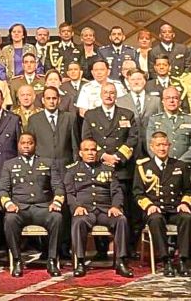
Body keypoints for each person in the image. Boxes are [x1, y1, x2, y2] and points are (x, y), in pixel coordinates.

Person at [80, 83, 140, 256]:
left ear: (116, 95)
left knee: (123, 209)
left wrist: (118, 157)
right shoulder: (91, 115)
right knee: (100, 204)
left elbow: (132, 138)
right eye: (105, 92)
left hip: (121, 168)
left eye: (112, 93)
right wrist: (103, 156)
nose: (108, 96)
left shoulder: (126, 114)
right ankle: (101, 249)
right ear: (100, 94)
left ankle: (125, 249)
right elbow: (87, 138)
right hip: (99, 167)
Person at [64, 139, 132, 278]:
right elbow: (70, 193)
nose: (90, 153)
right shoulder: (72, 170)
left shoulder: (108, 169)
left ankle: (121, 261)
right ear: (81, 153)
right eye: (87, 150)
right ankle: (80, 262)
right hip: (85, 210)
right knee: (78, 221)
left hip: (105, 210)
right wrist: (76, 207)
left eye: (93, 150)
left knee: (121, 219)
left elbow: (116, 191)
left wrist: (116, 206)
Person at [0, 132, 65, 278]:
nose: (26, 146)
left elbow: (58, 186)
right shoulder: (9, 165)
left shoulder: (47, 163)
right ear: (18, 145)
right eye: (23, 143)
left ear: (35, 145)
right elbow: (3, 189)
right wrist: (8, 204)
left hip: (43, 208)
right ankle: (17, 260)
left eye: (29, 143)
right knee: (9, 219)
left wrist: (56, 202)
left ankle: (52, 260)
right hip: (20, 209)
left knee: (57, 217)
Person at [134, 132, 191, 277]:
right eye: (158, 145)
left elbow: (188, 190)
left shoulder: (179, 165)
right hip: (154, 208)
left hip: (175, 208)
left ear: (169, 146)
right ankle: (166, 260)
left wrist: (185, 203)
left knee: (187, 218)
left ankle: (182, 260)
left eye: (165, 145)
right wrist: (149, 206)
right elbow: (137, 193)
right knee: (156, 219)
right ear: (152, 147)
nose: (162, 148)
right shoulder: (143, 167)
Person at [145, 87, 191, 173]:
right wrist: (163, 163)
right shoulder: (154, 120)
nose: (171, 101)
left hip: (186, 169)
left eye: (175, 98)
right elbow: (150, 145)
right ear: (163, 101)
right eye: (168, 98)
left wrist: (180, 164)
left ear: (180, 102)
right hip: (162, 170)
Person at [25, 87, 77, 168]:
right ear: (43, 100)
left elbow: (75, 145)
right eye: (48, 98)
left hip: (65, 166)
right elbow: (31, 144)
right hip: (41, 166)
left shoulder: (70, 118)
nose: (51, 101)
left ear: (59, 100)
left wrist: (76, 165)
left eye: (54, 98)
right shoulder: (34, 120)